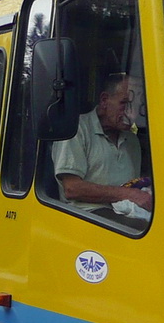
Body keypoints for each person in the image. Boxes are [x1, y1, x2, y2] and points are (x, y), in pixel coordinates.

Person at [52, 73, 153, 217]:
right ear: (105, 100)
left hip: (125, 212)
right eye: (125, 104)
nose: (131, 114)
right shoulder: (76, 129)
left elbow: (133, 185)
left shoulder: (132, 141)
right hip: (85, 216)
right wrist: (129, 194)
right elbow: (72, 189)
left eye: (136, 107)